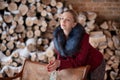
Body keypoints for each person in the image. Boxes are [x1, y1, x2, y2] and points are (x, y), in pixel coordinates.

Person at [47, 9, 106, 80]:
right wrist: (56, 65)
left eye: (67, 20)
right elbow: (61, 56)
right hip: (79, 66)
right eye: (62, 18)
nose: (63, 21)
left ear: (74, 24)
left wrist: (60, 63)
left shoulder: (83, 36)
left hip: (95, 63)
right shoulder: (57, 36)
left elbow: (80, 61)